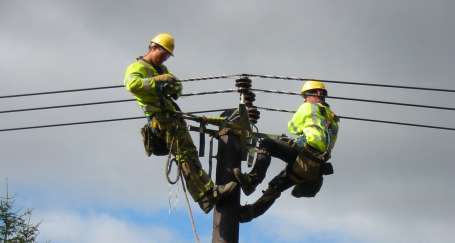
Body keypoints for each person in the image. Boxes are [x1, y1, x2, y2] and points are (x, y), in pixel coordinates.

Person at [123, 33, 237, 213]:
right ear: (153, 48)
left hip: (172, 117)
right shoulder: (137, 67)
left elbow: (177, 85)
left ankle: (206, 195)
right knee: (186, 155)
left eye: (168, 55)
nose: (165, 57)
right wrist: (157, 82)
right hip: (160, 119)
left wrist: (173, 87)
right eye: (164, 53)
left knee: (188, 154)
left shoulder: (162, 69)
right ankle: (206, 194)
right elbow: (132, 85)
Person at [233, 80, 340, 222]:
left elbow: (293, 127)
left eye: (306, 96)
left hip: (304, 154)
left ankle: (252, 180)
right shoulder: (334, 120)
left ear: (318, 93)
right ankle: (248, 214)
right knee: (275, 188)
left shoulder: (308, 107)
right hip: (314, 167)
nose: (305, 99)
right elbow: (329, 141)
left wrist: (300, 131)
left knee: (267, 144)